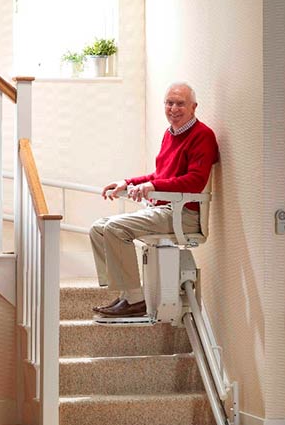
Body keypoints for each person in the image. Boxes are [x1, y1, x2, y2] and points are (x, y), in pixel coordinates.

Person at [90, 83, 219, 317]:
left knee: (115, 228)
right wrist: (128, 183)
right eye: (169, 103)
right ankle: (127, 294)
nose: (173, 108)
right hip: (165, 208)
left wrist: (153, 185)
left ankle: (136, 301)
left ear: (193, 107)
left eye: (180, 103)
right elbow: (160, 176)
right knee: (98, 228)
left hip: (184, 214)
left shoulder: (202, 136)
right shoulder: (170, 134)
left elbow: (195, 181)